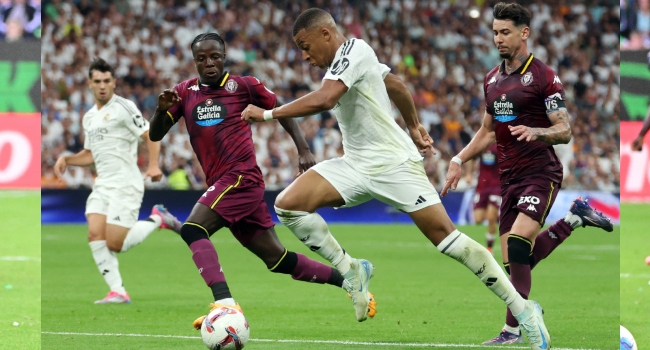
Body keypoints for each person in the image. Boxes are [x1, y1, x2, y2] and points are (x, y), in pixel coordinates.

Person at [241, 8, 550, 348]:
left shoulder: (354, 50)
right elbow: (396, 85)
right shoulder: (344, 62)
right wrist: (415, 125)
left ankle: (523, 311)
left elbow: (326, 98)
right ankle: (351, 269)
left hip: (394, 166)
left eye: (305, 45)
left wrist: (268, 114)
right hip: (356, 165)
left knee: (448, 241)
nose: (304, 55)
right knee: (288, 206)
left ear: (325, 34)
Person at [148, 33, 376, 330]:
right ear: (194, 61)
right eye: (202, 58)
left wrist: (303, 148)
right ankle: (350, 281)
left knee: (192, 229)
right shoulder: (185, 91)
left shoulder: (244, 86)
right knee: (277, 260)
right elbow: (155, 134)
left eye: (215, 56)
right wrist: (160, 110)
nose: (210, 63)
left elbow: (281, 110)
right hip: (223, 183)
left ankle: (224, 304)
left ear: (224, 56)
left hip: (241, 177)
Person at [442, 3, 613, 344]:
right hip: (509, 178)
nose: (498, 39)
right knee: (514, 264)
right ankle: (574, 219)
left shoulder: (544, 77)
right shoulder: (492, 79)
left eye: (505, 32)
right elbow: (487, 131)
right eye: (494, 32)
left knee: (519, 245)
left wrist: (537, 132)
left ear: (524, 33)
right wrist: (459, 159)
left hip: (541, 171)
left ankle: (513, 330)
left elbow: (564, 130)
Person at [54, 58, 183, 304]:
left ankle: (158, 218)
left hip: (125, 182)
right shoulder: (90, 117)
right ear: (90, 84)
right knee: (94, 234)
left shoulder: (124, 107)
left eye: (106, 81)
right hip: (103, 183)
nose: (102, 86)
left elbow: (150, 134)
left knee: (115, 243)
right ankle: (118, 291)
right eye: (97, 81)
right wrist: (68, 160)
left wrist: (153, 165)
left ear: (113, 82)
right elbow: (90, 154)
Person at [468, 143, 501, 255]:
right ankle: (502, 216)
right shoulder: (482, 142)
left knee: (491, 218)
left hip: (497, 186)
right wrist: (469, 173)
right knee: (478, 219)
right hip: (482, 186)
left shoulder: (501, 144)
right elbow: (470, 157)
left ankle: (489, 248)